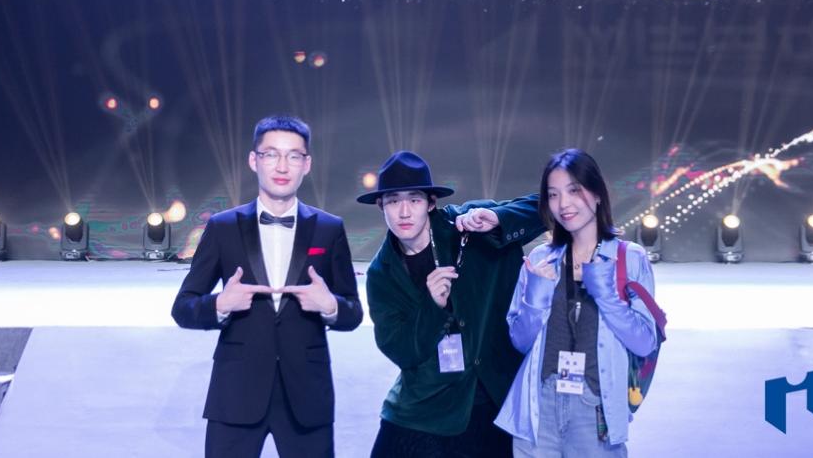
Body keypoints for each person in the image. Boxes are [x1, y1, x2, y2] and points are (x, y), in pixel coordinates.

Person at [172, 115, 362, 458]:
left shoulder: (329, 229)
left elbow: (353, 313)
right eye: (271, 154)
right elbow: (183, 307)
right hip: (236, 393)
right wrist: (220, 304)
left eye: (293, 156)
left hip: (307, 395)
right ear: (254, 159)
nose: (282, 166)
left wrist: (330, 306)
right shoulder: (223, 227)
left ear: (307, 164)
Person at [360, 151, 545, 458]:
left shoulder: (468, 226)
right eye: (393, 201)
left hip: (492, 400)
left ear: (431, 203)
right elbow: (402, 351)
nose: (404, 212)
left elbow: (546, 207)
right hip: (426, 405)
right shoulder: (381, 274)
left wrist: (499, 218)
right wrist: (431, 307)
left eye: (414, 199)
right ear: (381, 206)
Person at [496, 149, 658, 457]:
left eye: (574, 190)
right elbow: (519, 341)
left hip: (594, 407)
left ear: (597, 194)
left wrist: (607, 296)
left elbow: (645, 342)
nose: (563, 204)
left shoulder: (629, 258)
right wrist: (536, 297)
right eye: (553, 194)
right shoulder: (541, 259)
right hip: (539, 407)